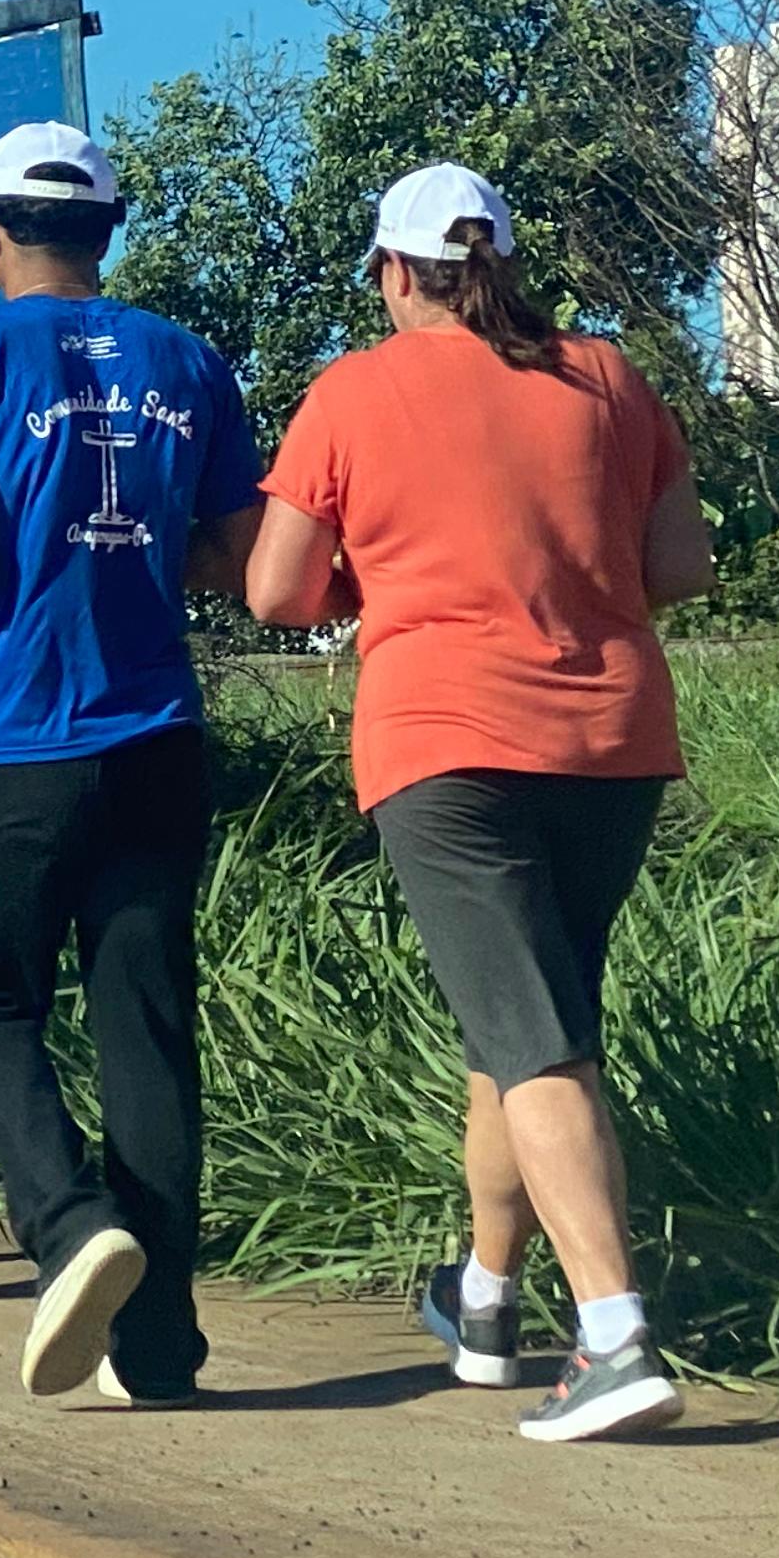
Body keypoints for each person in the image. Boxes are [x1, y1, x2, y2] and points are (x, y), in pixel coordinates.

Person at [249, 164, 713, 1443]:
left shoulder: (353, 392)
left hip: (449, 743)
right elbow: (681, 563)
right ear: (498, 262)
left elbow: (278, 591)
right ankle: (489, 1305)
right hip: (611, 740)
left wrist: (388, 585)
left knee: (537, 1038)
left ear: (397, 272)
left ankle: (614, 1338)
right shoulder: (609, 377)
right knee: (516, 1026)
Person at [0, 126, 264, 1405]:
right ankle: (159, 1346)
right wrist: (141, 555)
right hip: (156, 736)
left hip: (16, 742)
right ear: (108, 231)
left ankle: (66, 1220)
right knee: (145, 1030)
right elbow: (239, 558)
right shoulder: (188, 361)